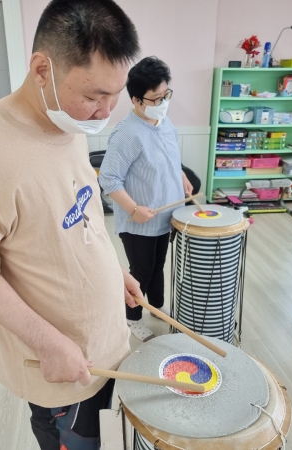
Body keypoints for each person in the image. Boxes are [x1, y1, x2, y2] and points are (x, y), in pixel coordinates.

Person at [0, 1, 142, 449]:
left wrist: (114, 272)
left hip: (110, 344)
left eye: (115, 95)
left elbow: (79, 215)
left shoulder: (71, 124)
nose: (105, 112)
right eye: (93, 96)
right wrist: (47, 343)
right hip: (64, 366)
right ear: (42, 69)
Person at [99, 56, 192, 342]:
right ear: (137, 100)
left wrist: (181, 176)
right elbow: (108, 180)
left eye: (166, 95)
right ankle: (132, 318)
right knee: (141, 271)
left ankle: (156, 306)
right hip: (138, 222)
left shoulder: (164, 122)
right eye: (156, 98)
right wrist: (134, 209)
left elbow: (169, 157)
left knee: (158, 265)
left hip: (165, 216)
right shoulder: (127, 133)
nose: (164, 102)